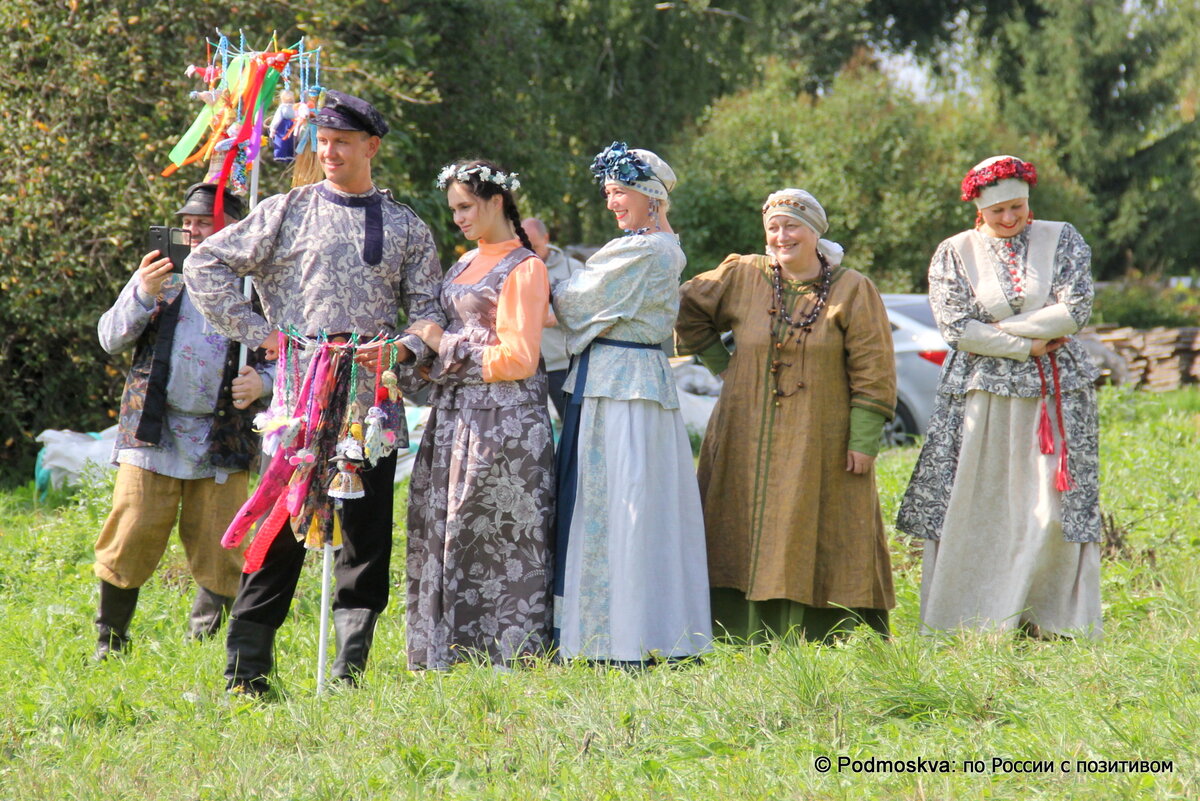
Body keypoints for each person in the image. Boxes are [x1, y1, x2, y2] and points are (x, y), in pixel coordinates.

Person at [185, 91, 445, 693]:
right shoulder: (287, 210)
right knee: (279, 528)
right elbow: (205, 265)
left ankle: (349, 672)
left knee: (366, 531)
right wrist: (260, 335)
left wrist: (403, 349)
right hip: (299, 397)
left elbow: (430, 312)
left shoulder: (406, 225)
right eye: (322, 141)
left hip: (370, 399)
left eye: (343, 142)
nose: (329, 152)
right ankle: (247, 671)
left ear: (371, 147)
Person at [675, 189, 898, 642]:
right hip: (744, 429)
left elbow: (873, 369)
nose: (781, 235)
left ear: (815, 232)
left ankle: (824, 634)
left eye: (792, 226)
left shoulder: (852, 289)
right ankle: (735, 631)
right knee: (738, 520)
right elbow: (687, 307)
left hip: (822, 435)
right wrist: (724, 365)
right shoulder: (743, 275)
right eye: (773, 227)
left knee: (816, 523)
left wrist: (863, 439)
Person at [896, 155, 1102, 638]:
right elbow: (952, 326)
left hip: (1054, 391)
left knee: (1051, 507)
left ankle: (1051, 620)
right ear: (977, 210)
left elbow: (1074, 311)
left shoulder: (1062, 237)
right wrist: (1024, 344)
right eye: (998, 212)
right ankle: (969, 618)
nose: (1009, 219)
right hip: (980, 394)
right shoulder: (955, 252)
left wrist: (989, 332)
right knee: (977, 503)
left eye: (1018, 207)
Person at [551, 142, 711, 663]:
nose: (612, 204)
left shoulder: (647, 250)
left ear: (650, 197)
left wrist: (522, 275)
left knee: (621, 500)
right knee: (625, 500)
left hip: (622, 384)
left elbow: (572, 301)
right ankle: (630, 627)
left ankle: (624, 633)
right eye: (608, 194)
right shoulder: (648, 245)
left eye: (620, 193)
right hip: (618, 376)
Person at [93, 182, 268, 660]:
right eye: (187, 222)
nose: (192, 230)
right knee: (131, 531)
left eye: (205, 222)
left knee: (221, 541)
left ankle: (205, 644)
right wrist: (143, 294)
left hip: (224, 433)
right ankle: (110, 641)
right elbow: (111, 337)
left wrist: (264, 384)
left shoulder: (255, 285)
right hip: (153, 430)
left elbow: (285, 352)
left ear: (233, 229)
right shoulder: (158, 275)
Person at [403, 160, 555, 669]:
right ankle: (449, 650)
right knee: (448, 526)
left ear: (497, 201)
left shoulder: (525, 267)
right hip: (456, 416)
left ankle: (504, 654)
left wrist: (440, 344)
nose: (458, 218)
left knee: (492, 533)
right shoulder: (463, 263)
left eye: (466, 206)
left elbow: (519, 359)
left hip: (503, 423)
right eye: (453, 210)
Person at [520, 217, 583, 419]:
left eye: (534, 246)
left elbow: (590, 311)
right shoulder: (514, 270)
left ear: (546, 238)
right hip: (526, 368)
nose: (530, 252)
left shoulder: (573, 268)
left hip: (563, 364)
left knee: (573, 424)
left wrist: (557, 319)